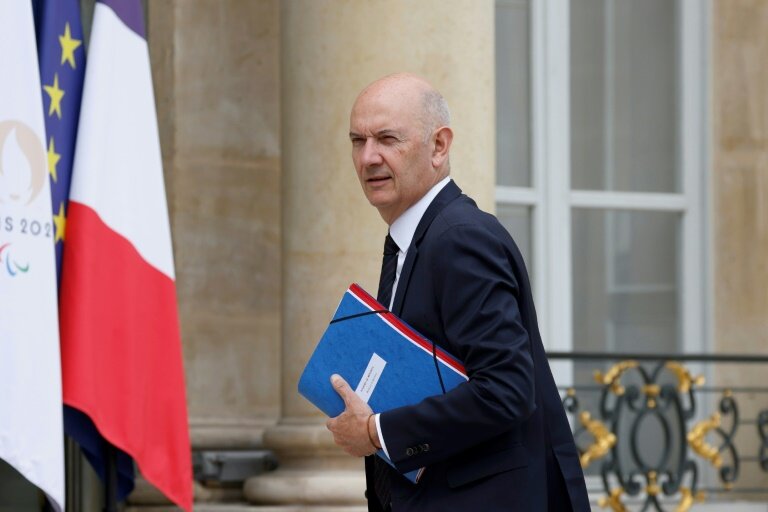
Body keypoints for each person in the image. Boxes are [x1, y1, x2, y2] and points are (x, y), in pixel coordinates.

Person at [326, 73, 590, 512]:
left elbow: (506, 389)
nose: (369, 157)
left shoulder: (460, 238)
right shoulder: (412, 239)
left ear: (439, 146)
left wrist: (376, 432)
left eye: (388, 139)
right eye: (358, 140)